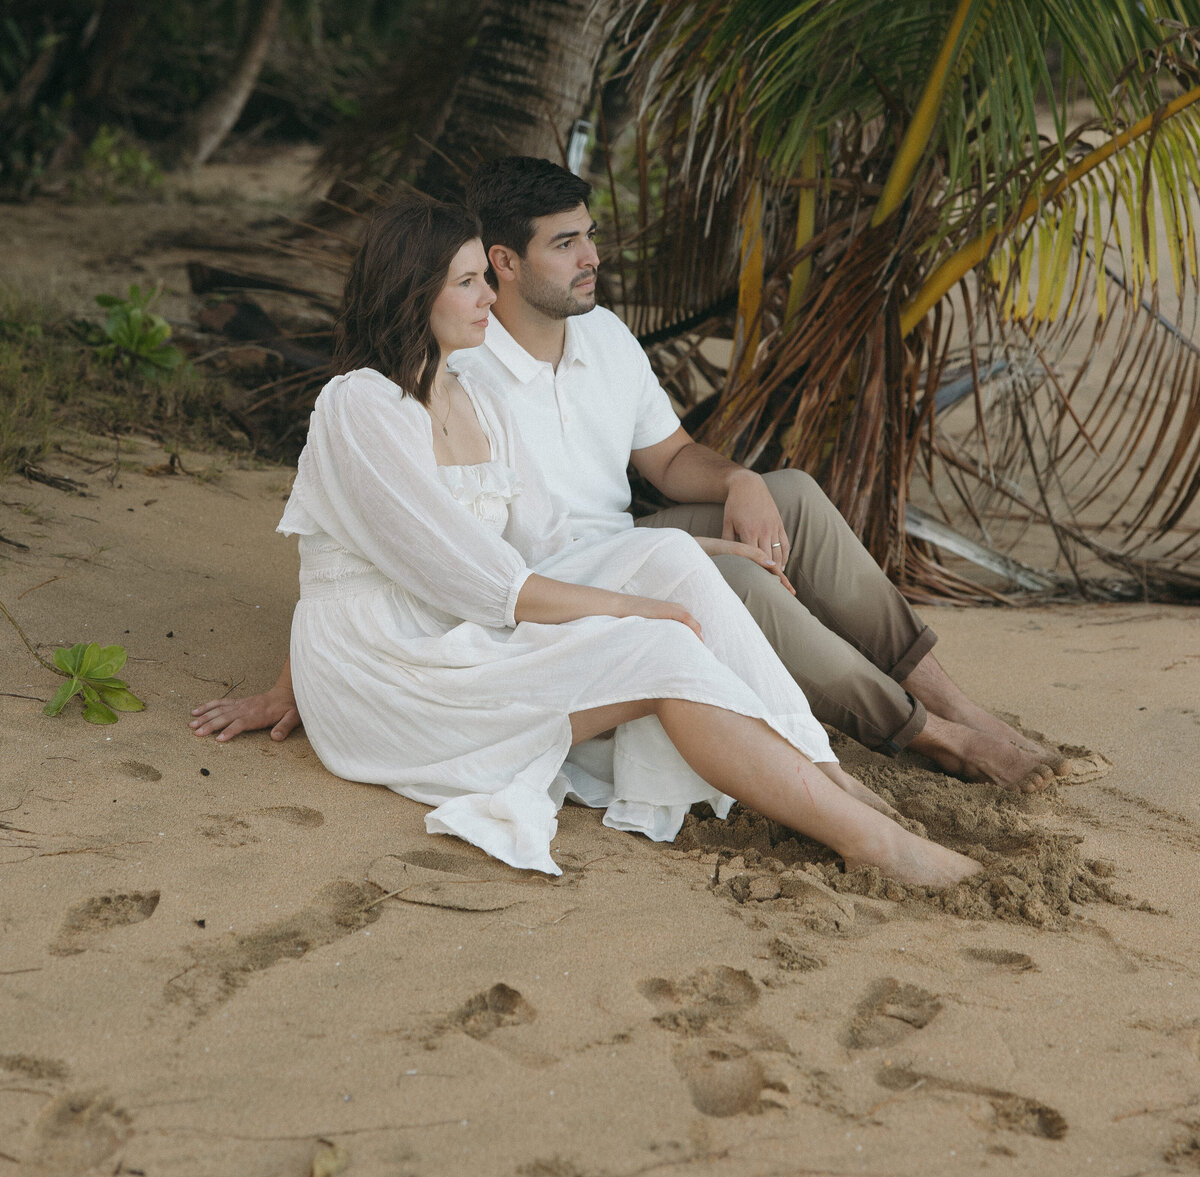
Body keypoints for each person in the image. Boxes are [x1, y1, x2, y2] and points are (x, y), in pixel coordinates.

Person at [194, 159, 1063, 792]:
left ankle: (955, 703)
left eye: (590, 236)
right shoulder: (458, 360)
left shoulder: (604, 336)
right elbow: (380, 532)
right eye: (565, 243)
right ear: (501, 263)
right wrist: (294, 681)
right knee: (727, 574)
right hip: (553, 586)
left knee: (788, 491)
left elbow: (669, 458)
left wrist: (738, 484)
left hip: (623, 548)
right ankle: (926, 738)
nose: (590, 258)